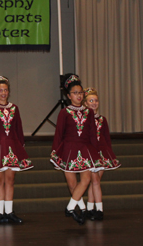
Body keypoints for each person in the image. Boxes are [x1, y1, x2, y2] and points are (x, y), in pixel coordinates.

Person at [0, 76, 33, 224]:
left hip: (12, 147)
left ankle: (9, 212)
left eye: (5, 90)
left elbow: (18, 129)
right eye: (0, 90)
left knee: (10, 179)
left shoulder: (14, 108)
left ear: (8, 92)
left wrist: (20, 147)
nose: (3, 92)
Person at [50, 74, 100, 225]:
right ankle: (82, 210)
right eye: (75, 93)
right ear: (68, 96)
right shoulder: (64, 113)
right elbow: (59, 134)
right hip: (69, 149)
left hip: (85, 148)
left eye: (80, 92)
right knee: (72, 183)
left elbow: (92, 133)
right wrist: (55, 152)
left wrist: (96, 152)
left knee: (85, 180)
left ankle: (70, 207)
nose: (78, 95)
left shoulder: (89, 112)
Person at [83, 87, 121, 221]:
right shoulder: (84, 119)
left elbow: (106, 137)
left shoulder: (102, 119)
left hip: (102, 153)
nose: (94, 103)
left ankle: (91, 208)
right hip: (91, 153)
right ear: (85, 103)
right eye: (91, 101)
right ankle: (97, 209)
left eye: (96, 100)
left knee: (96, 181)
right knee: (94, 181)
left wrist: (109, 153)